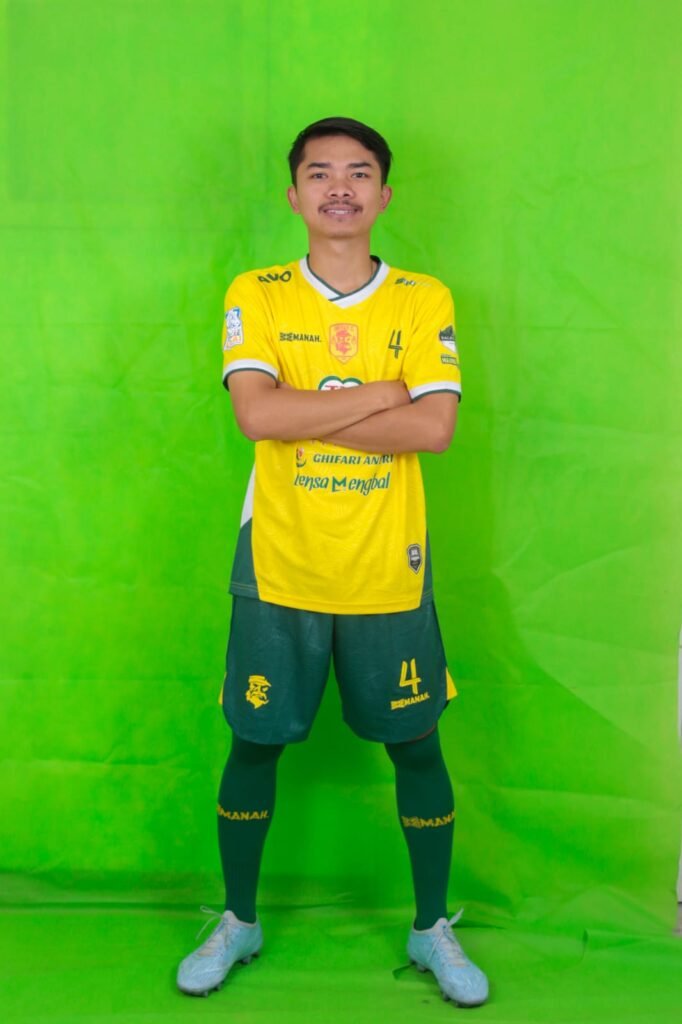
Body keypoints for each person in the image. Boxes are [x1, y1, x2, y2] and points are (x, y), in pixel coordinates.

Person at [176, 116, 488, 1008]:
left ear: (384, 195)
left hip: (388, 566)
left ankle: (429, 929)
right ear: (295, 195)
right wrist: (381, 395)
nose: (340, 187)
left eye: (358, 172)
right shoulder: (259, 292)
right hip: (280, 563)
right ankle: (239, 920)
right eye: (320, 173)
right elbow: (256, 416)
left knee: (416, 745)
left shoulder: (422, 298)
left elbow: (435, 427)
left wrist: (306, 409)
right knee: (254, 742)